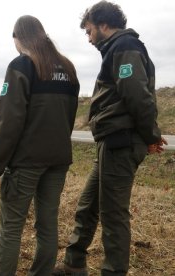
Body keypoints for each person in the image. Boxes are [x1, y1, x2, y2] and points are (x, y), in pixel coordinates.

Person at [52, 1, 167, 275]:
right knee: (88, 205)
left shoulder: (126, 47)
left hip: (121, 141)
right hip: (110, 141)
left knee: (113, 215)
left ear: (104, 24)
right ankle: (73, 264)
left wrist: (151, 135)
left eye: (89, 30)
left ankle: (113, 271)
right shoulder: (116, 49)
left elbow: (138, 97)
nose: (89, 38)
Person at [0, 15, 80, 276]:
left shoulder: (21, 65)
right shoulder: (69, 68)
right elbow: (69, 118)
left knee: (11, 227)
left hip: (26, 162)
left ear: (18, 37)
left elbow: (9, 122)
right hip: (58, 160)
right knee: (48, 224)